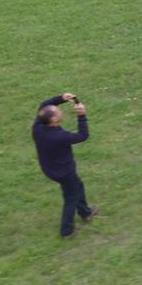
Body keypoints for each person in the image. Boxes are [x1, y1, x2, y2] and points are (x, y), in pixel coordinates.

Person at [32, 93, 96, 238]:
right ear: (54, 120)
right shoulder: (59, 137)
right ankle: (66, 230)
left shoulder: (38, 127)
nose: (59, 110)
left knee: (77, 186)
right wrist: (81, 115)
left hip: (50, 168)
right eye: (57, 110)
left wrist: (60, 98)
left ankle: (85, 212)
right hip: (64, 172)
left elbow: (43, 106)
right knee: (71, 197)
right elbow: (82, 136)